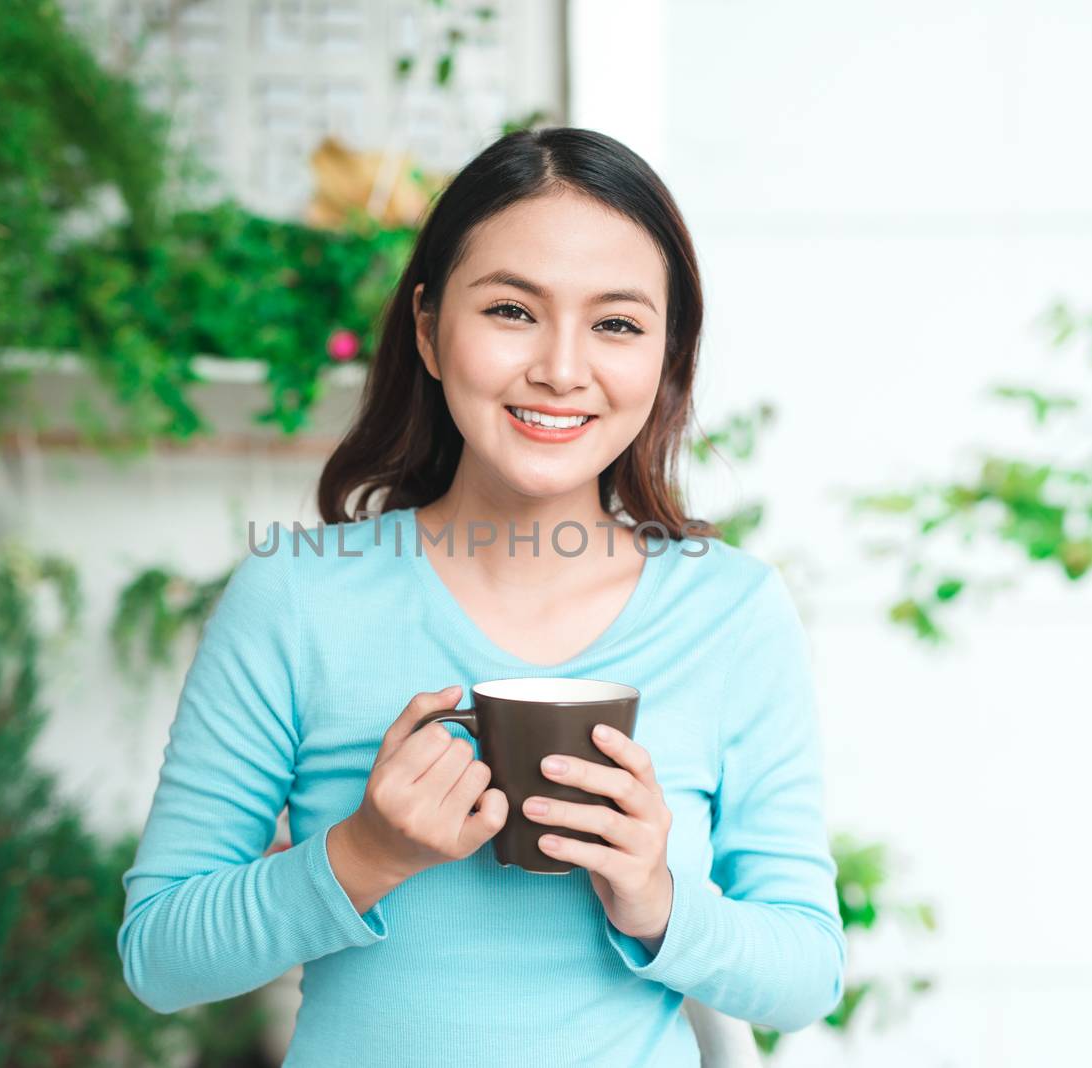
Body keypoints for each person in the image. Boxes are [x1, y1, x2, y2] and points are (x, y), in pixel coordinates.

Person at [117, 126, 845, 1067]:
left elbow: (807, 974)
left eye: (617, 324)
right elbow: (158, 958)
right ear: (427, 328)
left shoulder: (731, 614)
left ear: (667, 359)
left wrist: (657, 899)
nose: (561, 368)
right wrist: (366, 855)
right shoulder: (296, 598)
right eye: (512, 310)